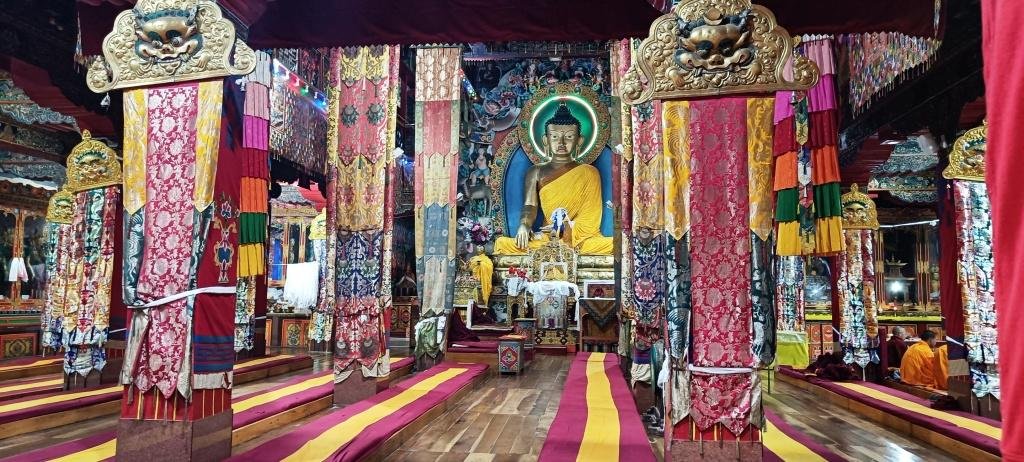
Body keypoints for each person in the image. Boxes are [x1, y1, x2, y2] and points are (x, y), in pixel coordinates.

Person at [493, 102, 612, 255]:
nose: (561, 142)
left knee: (614, 245)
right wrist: (524, 225)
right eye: (555, 137)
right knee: (502, 244)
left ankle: (562, 249)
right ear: (545, 140)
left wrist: (567, 230)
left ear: (579, 141)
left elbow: (590, 219)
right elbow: (530, 206)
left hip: (581, 240)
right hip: (547, 238)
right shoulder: (535, 171)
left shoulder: (589, 172)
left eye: (569, 136)